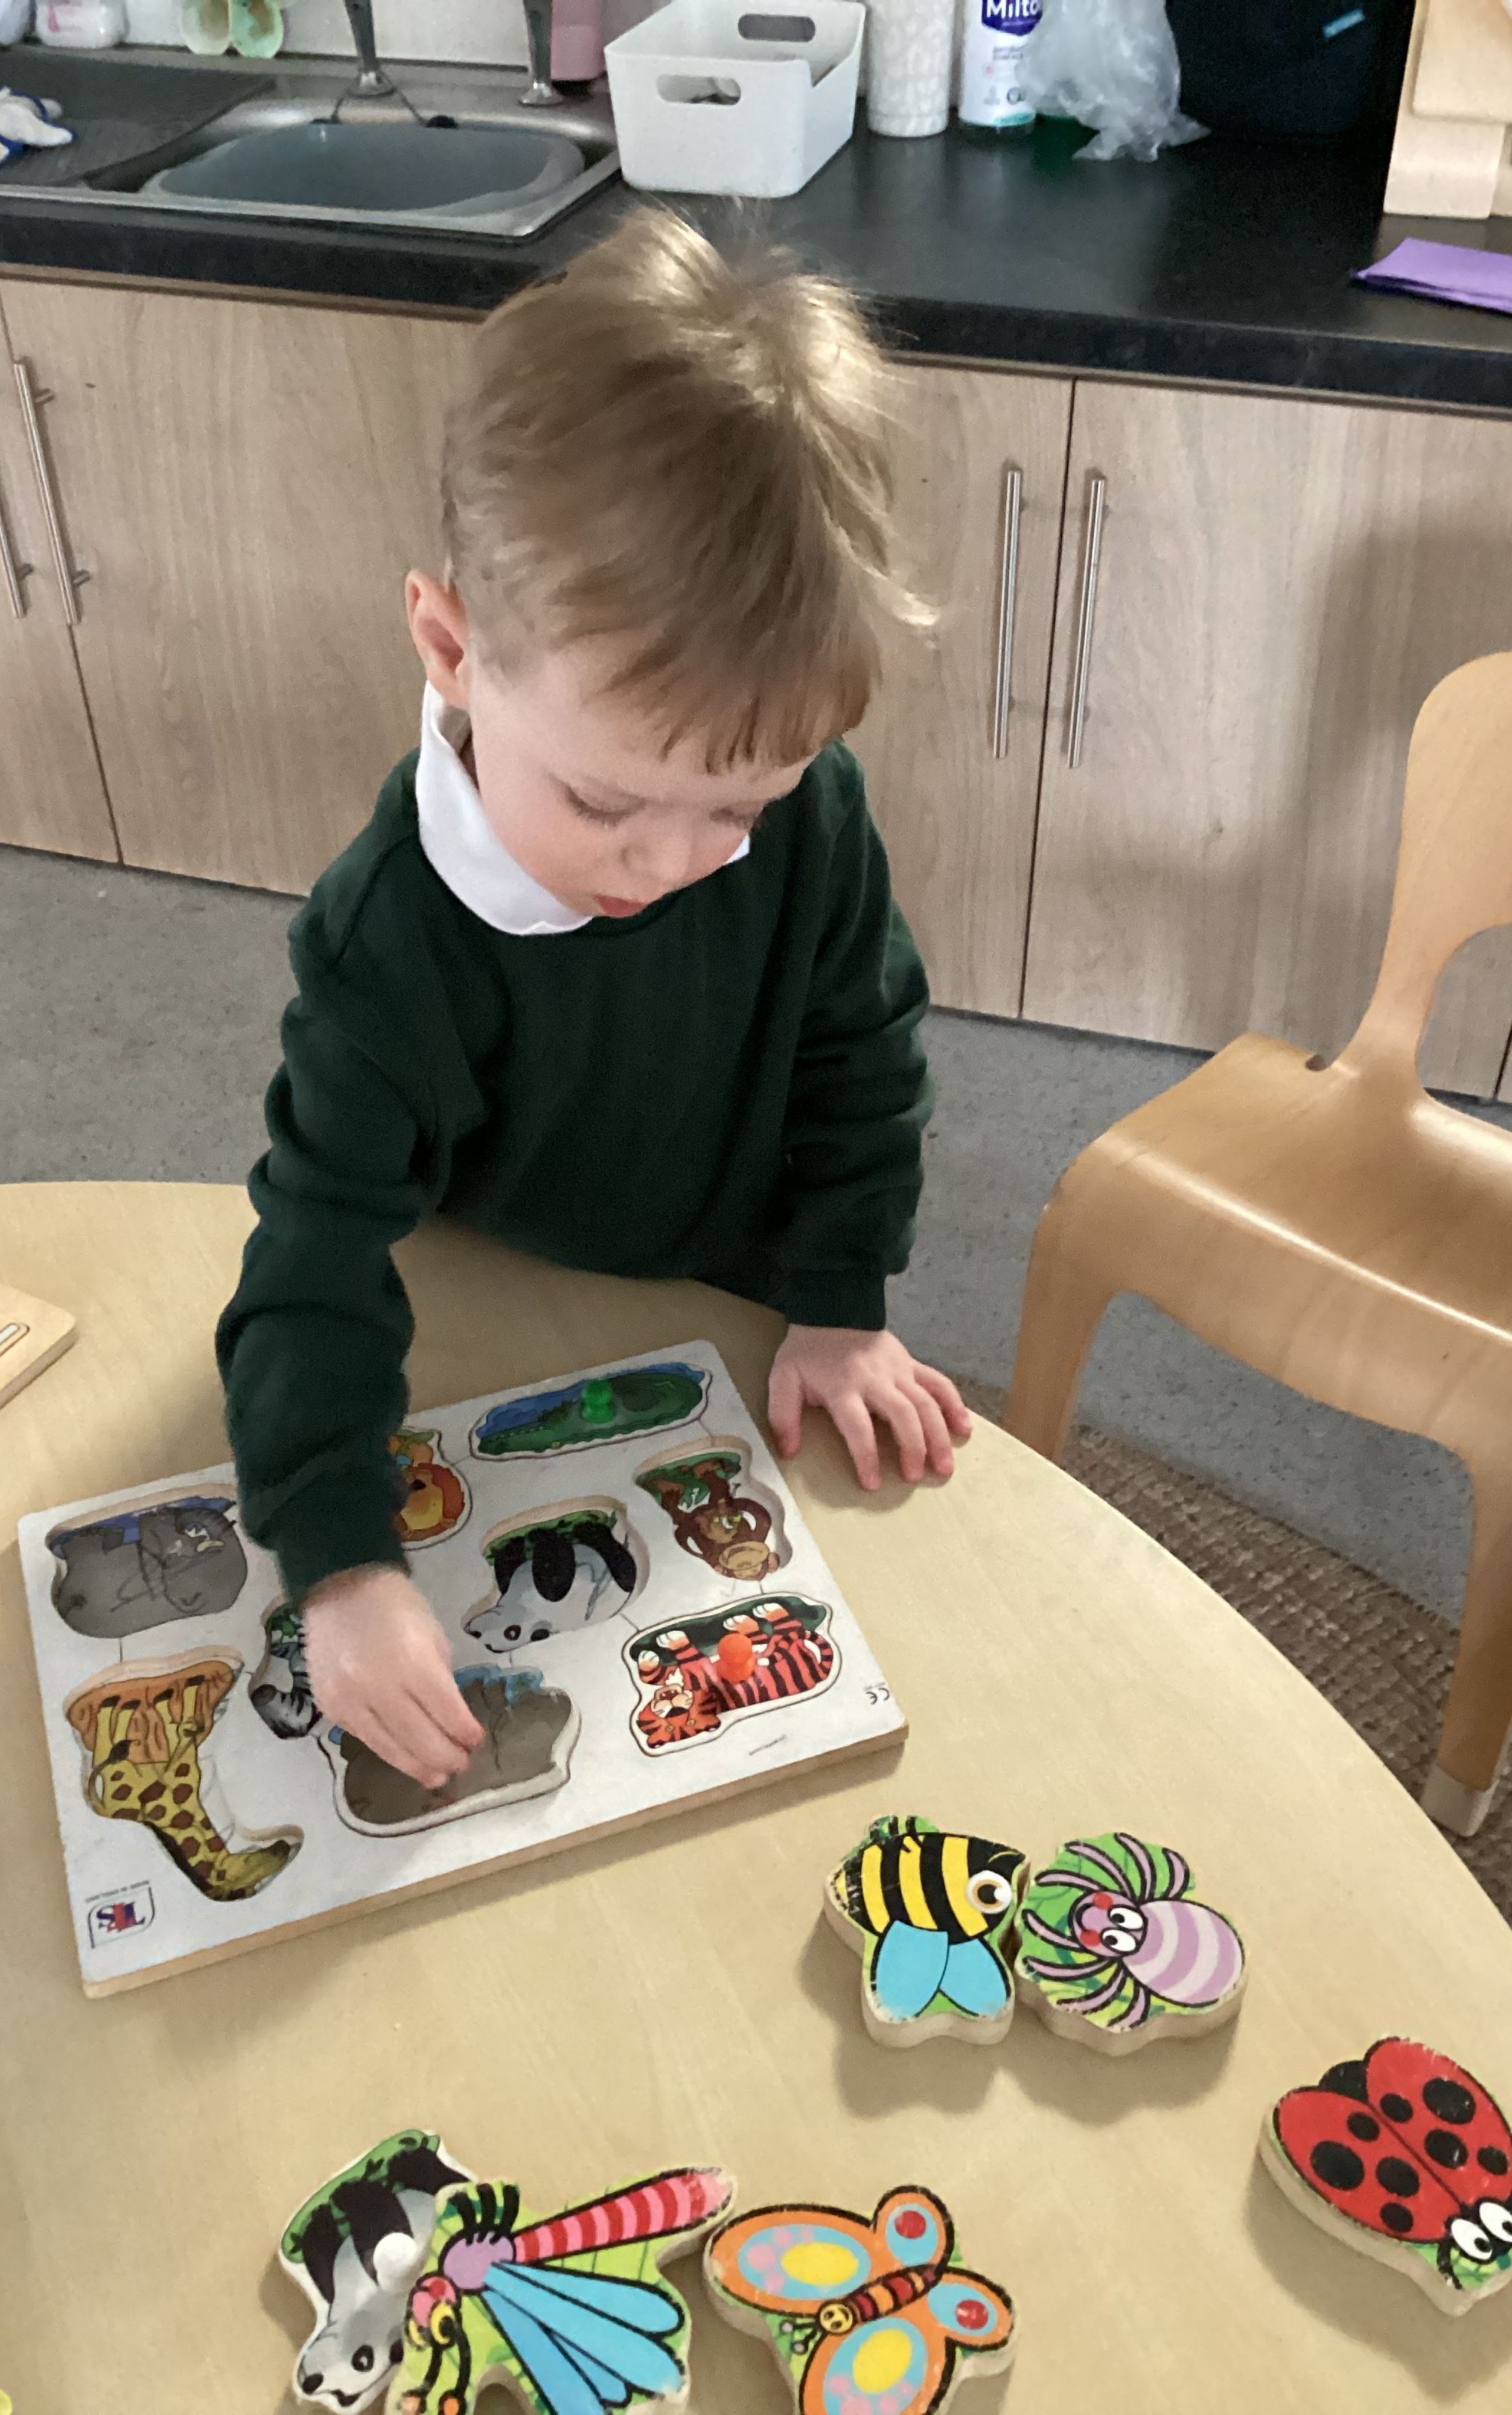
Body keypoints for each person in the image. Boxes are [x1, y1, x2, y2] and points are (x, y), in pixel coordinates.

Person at [217, 208, 969, 1792]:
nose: (677, 863)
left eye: (739, 805)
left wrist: (843, 1299)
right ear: (451, 648)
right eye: (607, 801)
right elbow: (311, 1255)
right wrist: (339, 1567)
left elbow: (861, 1051)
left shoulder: (811, 815)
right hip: (477, 1312)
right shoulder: (388, 936)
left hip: (729, 1303)